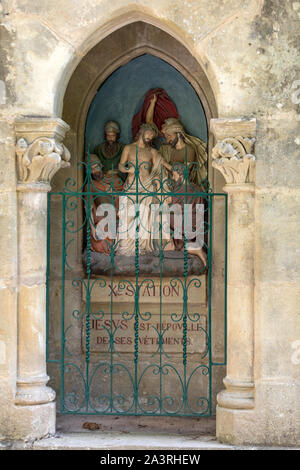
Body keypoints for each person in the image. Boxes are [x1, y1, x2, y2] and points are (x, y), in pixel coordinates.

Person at [116, 123, 174, 255]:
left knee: (145, 217)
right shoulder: (128, 148)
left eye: (152, 136)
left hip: (147, 186)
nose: (150, 137)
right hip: (131, 185)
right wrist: (127, 169)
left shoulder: (152, 152)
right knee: (128, 215)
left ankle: (141, 247)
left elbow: (163, 164)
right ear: (142, 131)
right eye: (148, 134)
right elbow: (120, 165)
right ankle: (127, 246)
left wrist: (176, 170)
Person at [88, 121, 125, 254]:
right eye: (108, 135)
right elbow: (89, 206)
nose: (110, 138)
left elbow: (123, 195)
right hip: (102, 215)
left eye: (113, 135)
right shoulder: (90, 185)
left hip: (115, 212)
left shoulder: (122, 149)